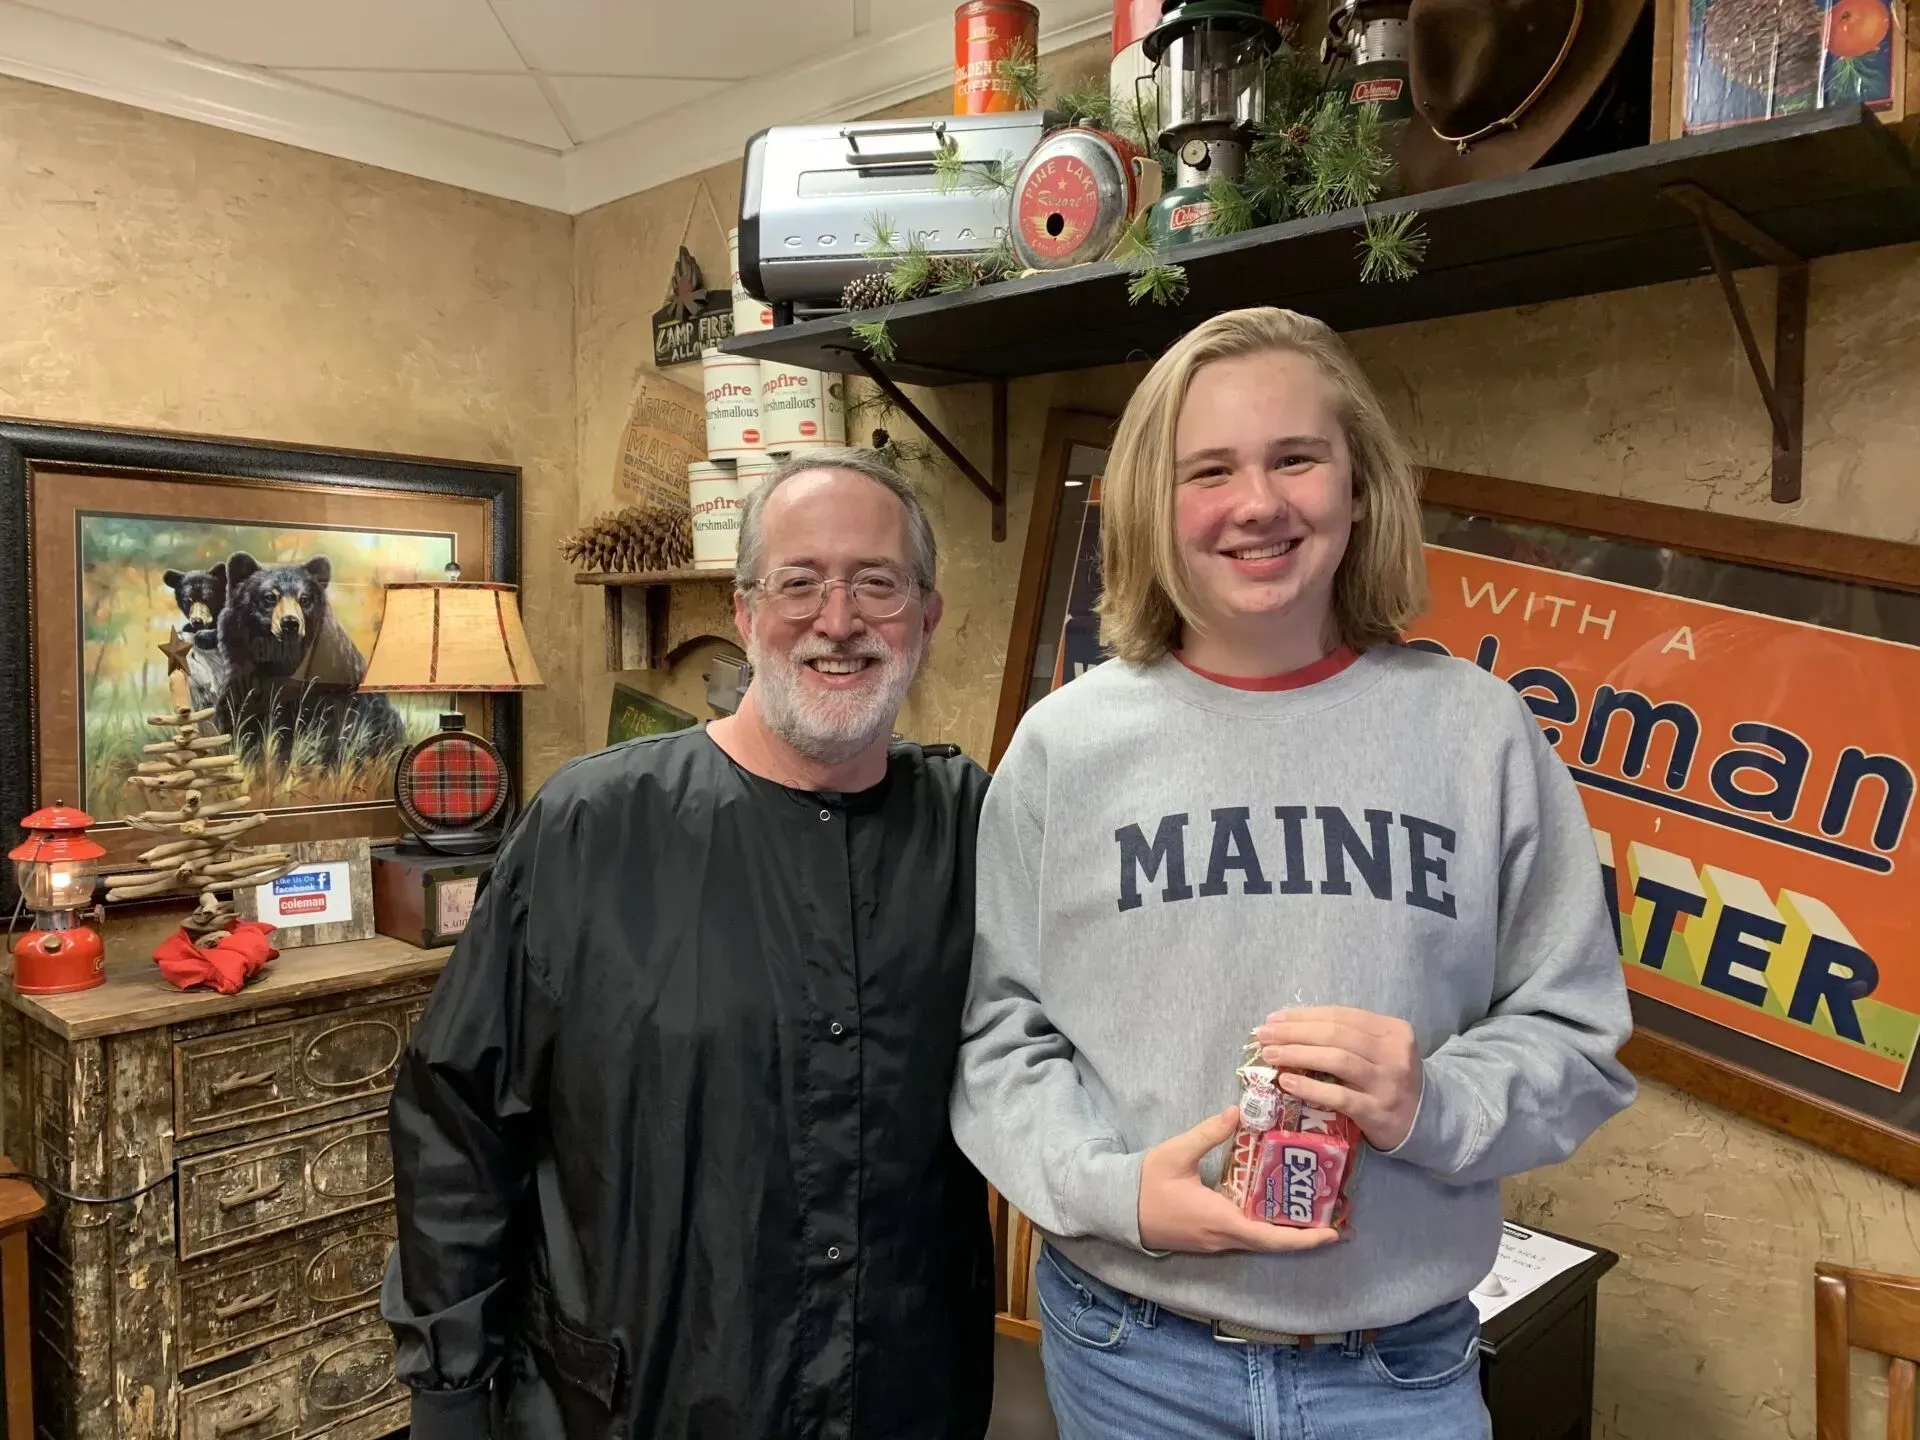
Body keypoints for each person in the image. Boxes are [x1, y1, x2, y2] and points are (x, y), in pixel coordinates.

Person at [951, 306, 1635, 1438]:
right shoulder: (1063, 749)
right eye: (1208, 470)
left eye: (1295, 458)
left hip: (1400, 1375)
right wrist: (1113, 1192)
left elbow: (1576, 1035)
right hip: (1131, 1359)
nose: (1256, 502)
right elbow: (999, 1038)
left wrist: (1433, 1102)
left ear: (1357, 484)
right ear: (1152, 509)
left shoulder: (1480, 734)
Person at [382, 448, 994, 1440]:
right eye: (799, 584)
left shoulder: (970, 826)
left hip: (905, 1397)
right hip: (641, 1403)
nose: (837, 622)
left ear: (926, 615)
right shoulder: (592, 827)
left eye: (876, 584)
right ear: (748, 614)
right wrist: (449, 1395)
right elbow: (456, 1117)